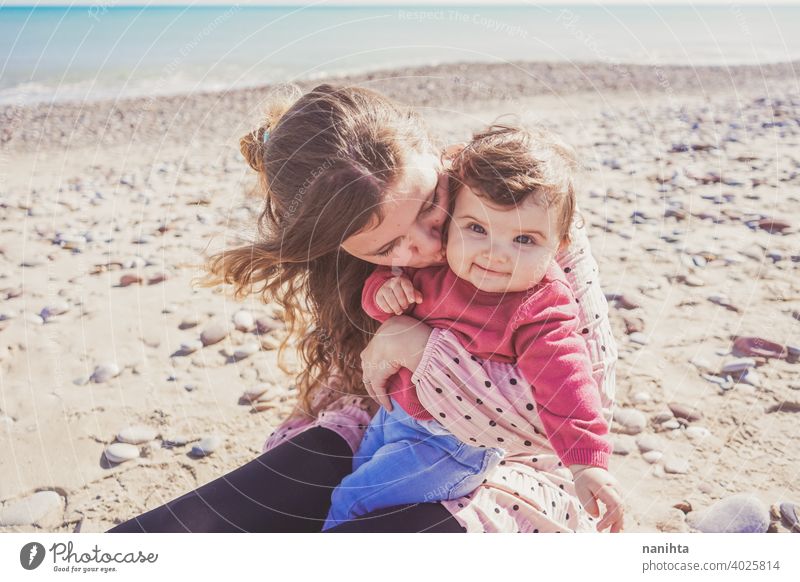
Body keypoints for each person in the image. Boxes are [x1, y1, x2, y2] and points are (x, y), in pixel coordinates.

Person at [107, 83, 620, 533]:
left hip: (517, 468)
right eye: (385, 248)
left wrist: (417, 344)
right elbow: (355, 384)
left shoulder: (519, 217)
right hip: (384, 425)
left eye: (427, 207)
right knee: (180, 532)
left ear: (438, 157)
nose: (423, 247)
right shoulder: (347, 253)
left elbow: (573, 396)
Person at [321, 123, 621, 532]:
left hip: (452, 445)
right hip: (396, 417)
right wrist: (383, 295)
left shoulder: (540, 305)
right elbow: (380, 292)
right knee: (357, 477)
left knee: (352, 500)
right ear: (453, 220)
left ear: (560, 245)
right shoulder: (445, 262)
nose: (495, 254)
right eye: (477, 228)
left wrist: (587, 464)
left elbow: (567, 382)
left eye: (525, 239)